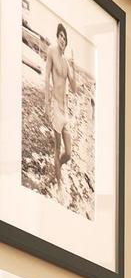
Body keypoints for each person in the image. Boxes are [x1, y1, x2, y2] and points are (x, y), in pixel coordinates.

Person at [44, 22, 78, 205]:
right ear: (57, 37)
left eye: (65, 38)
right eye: (61, 36)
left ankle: (56, 167)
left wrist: (74, 68)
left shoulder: (66, 62)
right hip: (56, 107)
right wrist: (45, 102)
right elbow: (46, 77)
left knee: (69, 153)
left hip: (65, 111)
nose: (63, 40)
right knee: (57, 150)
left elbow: (74, 89)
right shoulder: (51, 51)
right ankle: (58, 186)